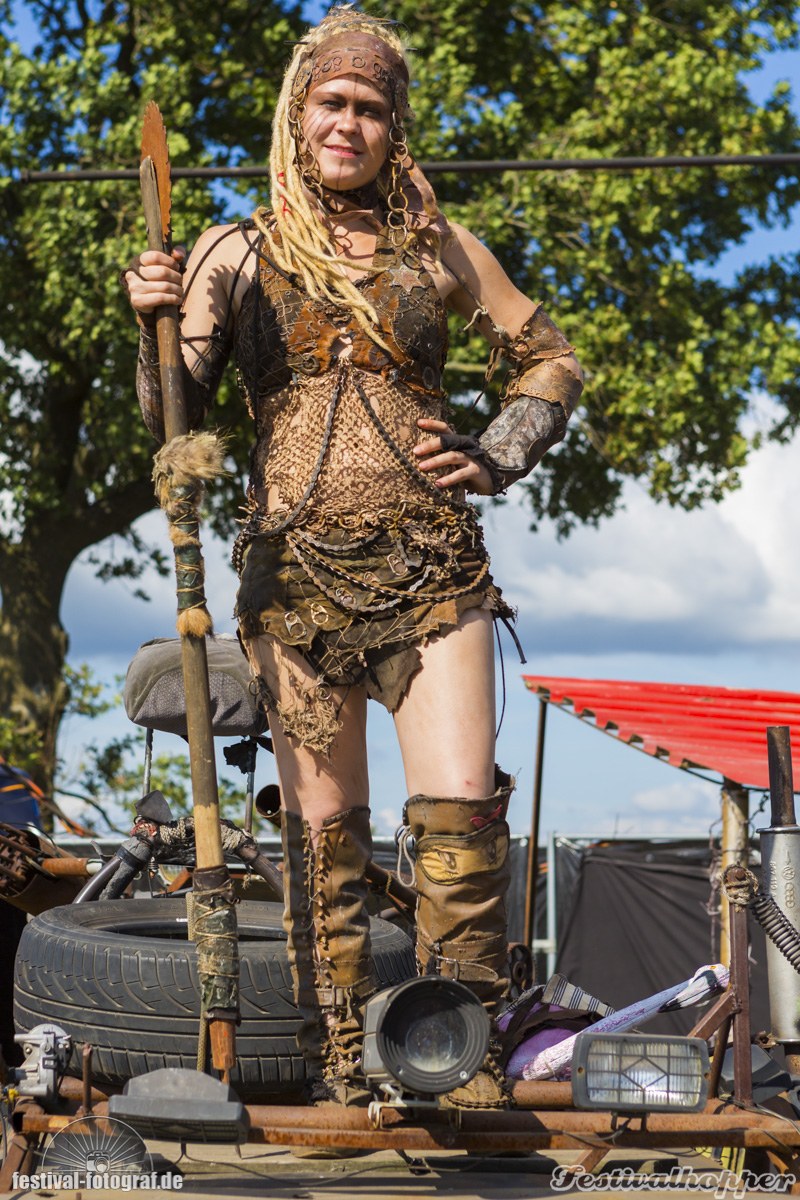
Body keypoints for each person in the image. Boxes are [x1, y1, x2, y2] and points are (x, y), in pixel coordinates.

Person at [124, 5, 583, 1109]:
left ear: (394, 127)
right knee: (325, 843)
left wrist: (500, 448)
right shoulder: (236, 251)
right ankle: (352, 1071)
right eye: (331, 101)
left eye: (370, 107)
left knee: (460, 819)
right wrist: (146, 316)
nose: (348, 122)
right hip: (293, 582)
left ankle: (457, 1064)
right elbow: (172, 410)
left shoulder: (440, 252)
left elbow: (549, 357)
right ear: (298, 112)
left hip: (432, 570)